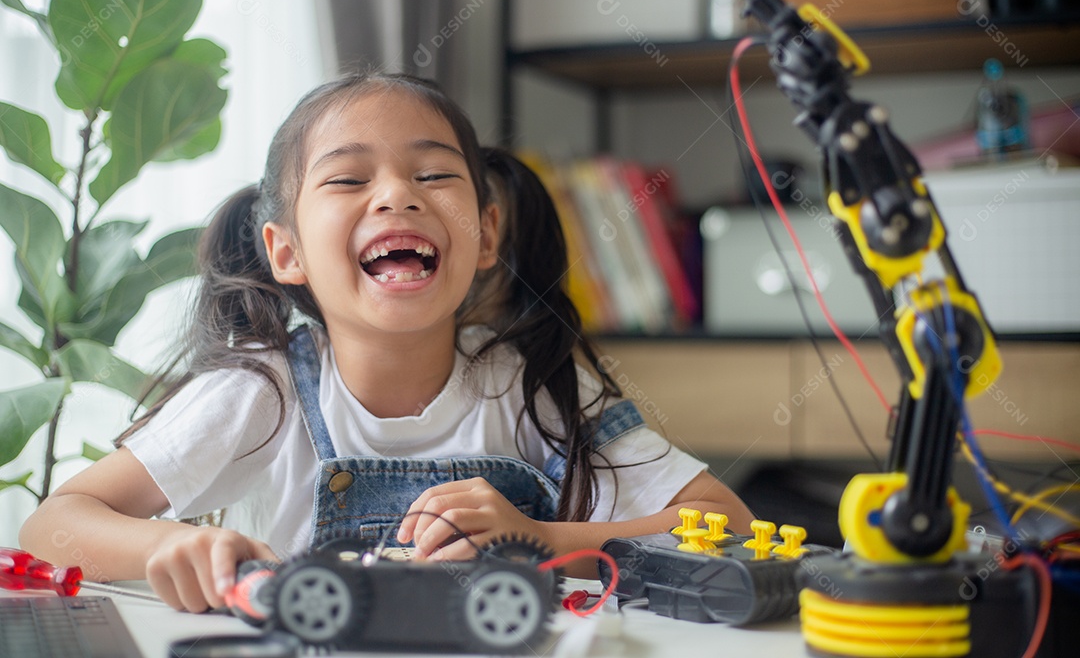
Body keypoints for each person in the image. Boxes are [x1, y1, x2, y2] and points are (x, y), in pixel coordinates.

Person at [20, 73, 753, 613]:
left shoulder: (532, 383)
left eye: (433, 173)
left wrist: (538, 536)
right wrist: (167, 547)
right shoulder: (260, 393)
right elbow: (51, 526)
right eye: (347, 179)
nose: (397, 194)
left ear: (486, 233)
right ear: (287, 253)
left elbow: (728, 521)